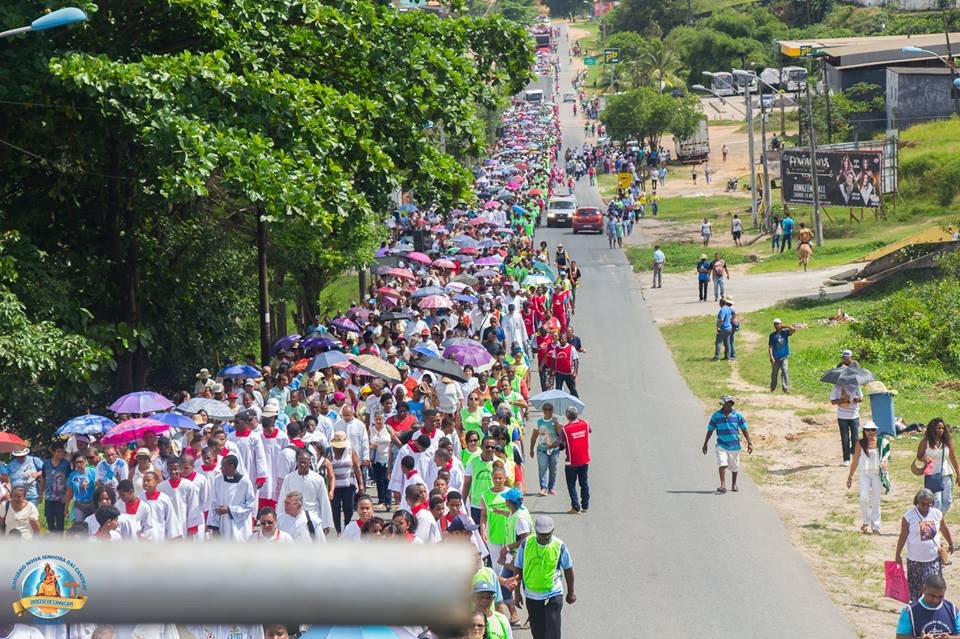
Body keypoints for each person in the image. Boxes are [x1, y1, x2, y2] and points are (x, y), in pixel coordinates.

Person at [514, 515, 576, 639]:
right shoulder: (526, 544)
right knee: (538, 632)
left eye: (548, 534)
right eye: (541, 534)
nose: (545, 537)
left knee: (553, 629)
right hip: (532, 594)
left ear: (553, 531)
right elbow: (518, 568)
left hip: (553, 592)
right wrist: (517, 593)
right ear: (535, 532)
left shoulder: (560, 546)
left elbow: (568, 569)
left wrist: (571, 592)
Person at [895, 488, 954, 602]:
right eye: (923, 504)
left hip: (933, 559)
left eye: (929, 504)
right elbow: (903, 536)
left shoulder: (937, 514)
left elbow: (944, 528)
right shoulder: (909, 516)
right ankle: (917, 610)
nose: (926, 507)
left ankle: (933, 608)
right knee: (916, 591)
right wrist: (897, 554)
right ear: (917, 502)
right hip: (915, 560)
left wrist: (950, 543)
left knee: (933, 586)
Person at [701, 395, 753, 493]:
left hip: (734, 446)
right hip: (721, 445)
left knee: (734, 466)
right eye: (726, 404)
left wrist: (749, 443)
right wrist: (705, 443)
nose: (728, 406)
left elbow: (744, 429)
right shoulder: (716, 416)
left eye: (730, 404)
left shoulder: (737, 415)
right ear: (723, 405)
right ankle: (722, 485)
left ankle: (734, 484)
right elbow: (710, 430)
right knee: (722, 463)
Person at [846, 421, 888, 534]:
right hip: (864, 473)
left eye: (873, 430)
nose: (871, 432)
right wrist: (850, 477)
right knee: (863, 498)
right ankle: (866, 520)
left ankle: (876, 527)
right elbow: (855, 461)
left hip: (876, 474)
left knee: (876, 501)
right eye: (868, 430)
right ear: (864, 431)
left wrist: (885, 465)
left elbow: (886, 458)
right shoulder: (860, 443)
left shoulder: (882, 442)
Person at [208, 454, 257, 541]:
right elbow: (214, 503)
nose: (220, 468)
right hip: (223, 523)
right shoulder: (218, 480)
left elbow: (251, 505)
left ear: (231, 466)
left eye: (223, 465)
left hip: (240, 526)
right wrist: (214, 526)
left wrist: (230, 510)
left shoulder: (245, 482)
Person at [917, 418, 960, 515]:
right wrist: (925, 458)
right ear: (932, 429)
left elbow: (954, 458)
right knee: (937, 502)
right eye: (938, 428)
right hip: (932, 475)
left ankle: (938, 520)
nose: (941, 430)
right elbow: (919, 456)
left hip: (946, 474)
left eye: (942, 428)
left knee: (947, 501)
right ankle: (936, 523)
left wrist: (958, 473)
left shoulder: (947, 442)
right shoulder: (925, 442)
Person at [895, 573, 960, 638]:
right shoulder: (910, 611)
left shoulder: (953, 610)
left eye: (940, 596)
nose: (935, 600)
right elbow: (900, 636)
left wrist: (950, 637)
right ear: (924, 589)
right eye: (932, 595)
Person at [329, 431, 363, 533]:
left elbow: (357, 467)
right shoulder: (329, 452)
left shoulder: (350, 451)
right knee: (335, 507)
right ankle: (339, 531)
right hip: (334, 485)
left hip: (349, 483)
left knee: (348, 507)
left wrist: (361, 483)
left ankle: (347, 527)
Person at [558, 407, 590, 514]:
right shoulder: (585, 423)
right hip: (584, 459)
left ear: (567, 416)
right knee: (584, 483)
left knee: (571, 484)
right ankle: (585, 505)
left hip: (572, 462)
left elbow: (560, 443)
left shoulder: (565, 429)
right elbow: (589, 430)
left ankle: (576, 507)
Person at [831, 378, 863, 466]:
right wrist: (843, 400)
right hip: (842, 416)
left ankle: (855, 456)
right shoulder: (837, 387)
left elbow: (861, 397)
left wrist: (857, 400)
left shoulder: (856, 385)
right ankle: (846, 459)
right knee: (845, 438)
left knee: (855, 438)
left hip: (854, 415)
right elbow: (833, 401)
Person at [530, 402, 561, 496]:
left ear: (552, 410)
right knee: (542, 469)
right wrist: (531, 449)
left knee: (553, 469)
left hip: (554, 450)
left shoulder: (556, 420)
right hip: (542, 450)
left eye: (550, 409)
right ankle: (543, 488)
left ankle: (551, 488)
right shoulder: (538, 422)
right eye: (546, 409)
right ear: (543, 411)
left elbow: (560, 434)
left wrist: (556, 423)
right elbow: (534, 436)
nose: (548, 411)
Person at [41, 443, 71, 532]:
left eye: (62, 452)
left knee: (60, 519)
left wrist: (67, 496)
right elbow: (43, 478)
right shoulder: (46, 463)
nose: (61, 454)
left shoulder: (66, 464)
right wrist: (40, 494)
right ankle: (53, 536)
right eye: (58, 452)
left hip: (61, 497)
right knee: (49, 518)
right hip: (49, 496)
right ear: (53, 452)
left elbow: (68, 480)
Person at [768, 318, 796, 393]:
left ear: (781, 324)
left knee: (785, 371)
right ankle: (773, 388)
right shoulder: (772, 335)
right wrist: (771, 357)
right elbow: (770, 347)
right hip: (776, 357)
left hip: (784, 356)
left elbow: (793, 330)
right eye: (775, 324)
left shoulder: (785, 332)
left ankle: (785, 388)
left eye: (777, 323)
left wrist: (784, 326)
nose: (776, 325)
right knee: (774, 373)